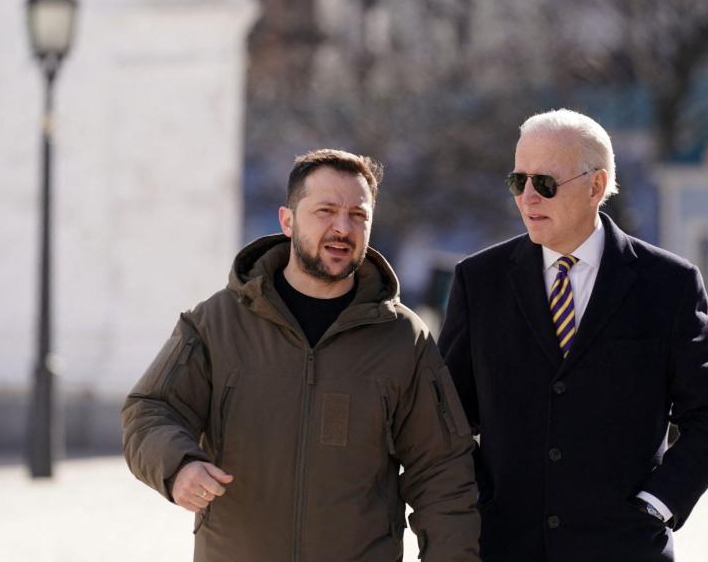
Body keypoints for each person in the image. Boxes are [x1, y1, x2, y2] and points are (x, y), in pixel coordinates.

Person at [122, 149, 479, 562]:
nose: (342, 228)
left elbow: (443, 471)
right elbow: (149, 410)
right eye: (325, 211)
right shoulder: (216, 323)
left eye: (358, 216)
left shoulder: (404, 339)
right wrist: (178, 465)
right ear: (287, 221)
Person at [439, 109, 708, 561]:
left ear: (596, 186)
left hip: (625, 548)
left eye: (545, 183)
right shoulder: (479, 281)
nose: (528, 198)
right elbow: (448, 419)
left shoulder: (668, 284)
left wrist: (657, 505)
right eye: (518, 182)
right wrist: (482, 499)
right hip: (507, 547)